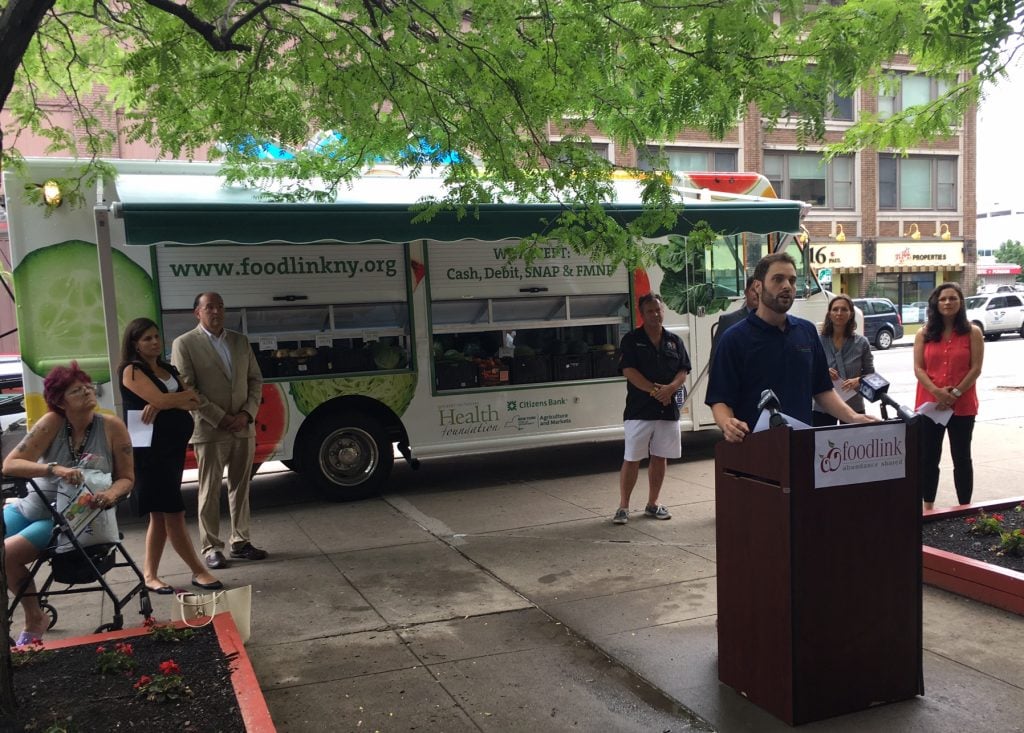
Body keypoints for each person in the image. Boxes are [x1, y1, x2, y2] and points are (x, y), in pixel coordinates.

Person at [2, 362, 134, 645]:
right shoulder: (51, 423)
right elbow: (10, 464)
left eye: (87, 386)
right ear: (61, 401)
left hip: (71, 518)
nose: (87, 391)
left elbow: (127, 478)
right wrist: (53, 469)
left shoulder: (111, 426)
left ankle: (34, 617)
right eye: (77, 390)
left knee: (6, 555)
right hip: (33, 507)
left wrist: (110, 496)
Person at [706, 253, 875, 442]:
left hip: (801, 447)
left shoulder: (807, 331)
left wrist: (852, 417)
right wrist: (727, 423)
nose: (787, 286)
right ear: (757, 286)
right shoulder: (734, 339)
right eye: (778, 279)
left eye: (792, 280)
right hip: (752, 451)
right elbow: (720, 398)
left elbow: (822, 390)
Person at [119, 317, 224, 592]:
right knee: (173, 512)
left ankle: (149, 575)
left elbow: (193, 398)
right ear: (135, 344)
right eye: (147, 338)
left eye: (156, 336)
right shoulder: (131, 371)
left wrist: (164, 403)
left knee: (160, 514)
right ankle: (199, 571)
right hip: (151, 454)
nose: (154, 342)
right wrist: (165, 401)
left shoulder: (167, 368)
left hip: (173, 451)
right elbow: (170, 399)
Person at [171, 292, 267, 569]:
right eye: (209, 307)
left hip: (242, 427)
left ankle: (241, 541)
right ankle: (211, 547)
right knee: (209, 489)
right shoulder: (185, 344)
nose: (216, 312)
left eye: (220, 306)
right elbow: (188, 387)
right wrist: (221, 417)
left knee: (241, 487)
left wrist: (247, 413)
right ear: (197, 313)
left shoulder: (239, 340)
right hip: (210, 429)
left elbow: (255, 379)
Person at [613, 293, 691, 524]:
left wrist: (671, 389)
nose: (655, 314)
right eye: (650, 311)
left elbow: (683, 371)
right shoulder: (631, 340)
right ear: (642, 314)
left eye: (658, 310)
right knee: (632, 458)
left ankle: (652, 504)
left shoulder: (674, 341)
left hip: (667, 411)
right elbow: (629, 371)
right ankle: (623, 507)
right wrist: (655, 391)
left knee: (660, 457)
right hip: (640, 410)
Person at [913, 282, 984, 509]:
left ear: (961, 302)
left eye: (953, 298)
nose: (947, 303)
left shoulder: (972, 332)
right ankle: (928, 507)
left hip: (962, 406)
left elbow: (976, 368)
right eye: (943, 299)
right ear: (935, 302)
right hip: (930, 406)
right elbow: (918, 368)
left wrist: (956, 393)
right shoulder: (923, 333)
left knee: (962, 457)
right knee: (928, 458)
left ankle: (964, 507)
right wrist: (936, 392)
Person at [811, 294, 874, 426]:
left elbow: (871, 375)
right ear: (829, 313)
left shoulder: (862, 343)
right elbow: (808, 371)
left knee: (854, 446)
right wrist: (823, 372)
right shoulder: (817, 341)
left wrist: (859, 380)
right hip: (824, 407)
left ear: (851, 314)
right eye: (835, 309)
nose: (839, 313)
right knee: (824, 444)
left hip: (854, 406)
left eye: (844, 309)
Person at [709, 276, 758, 371]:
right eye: (753, 290)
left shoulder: (774, 322)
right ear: (746, 292)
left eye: (760, 291)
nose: (757, 294)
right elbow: (716, 358)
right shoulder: (728, 321)